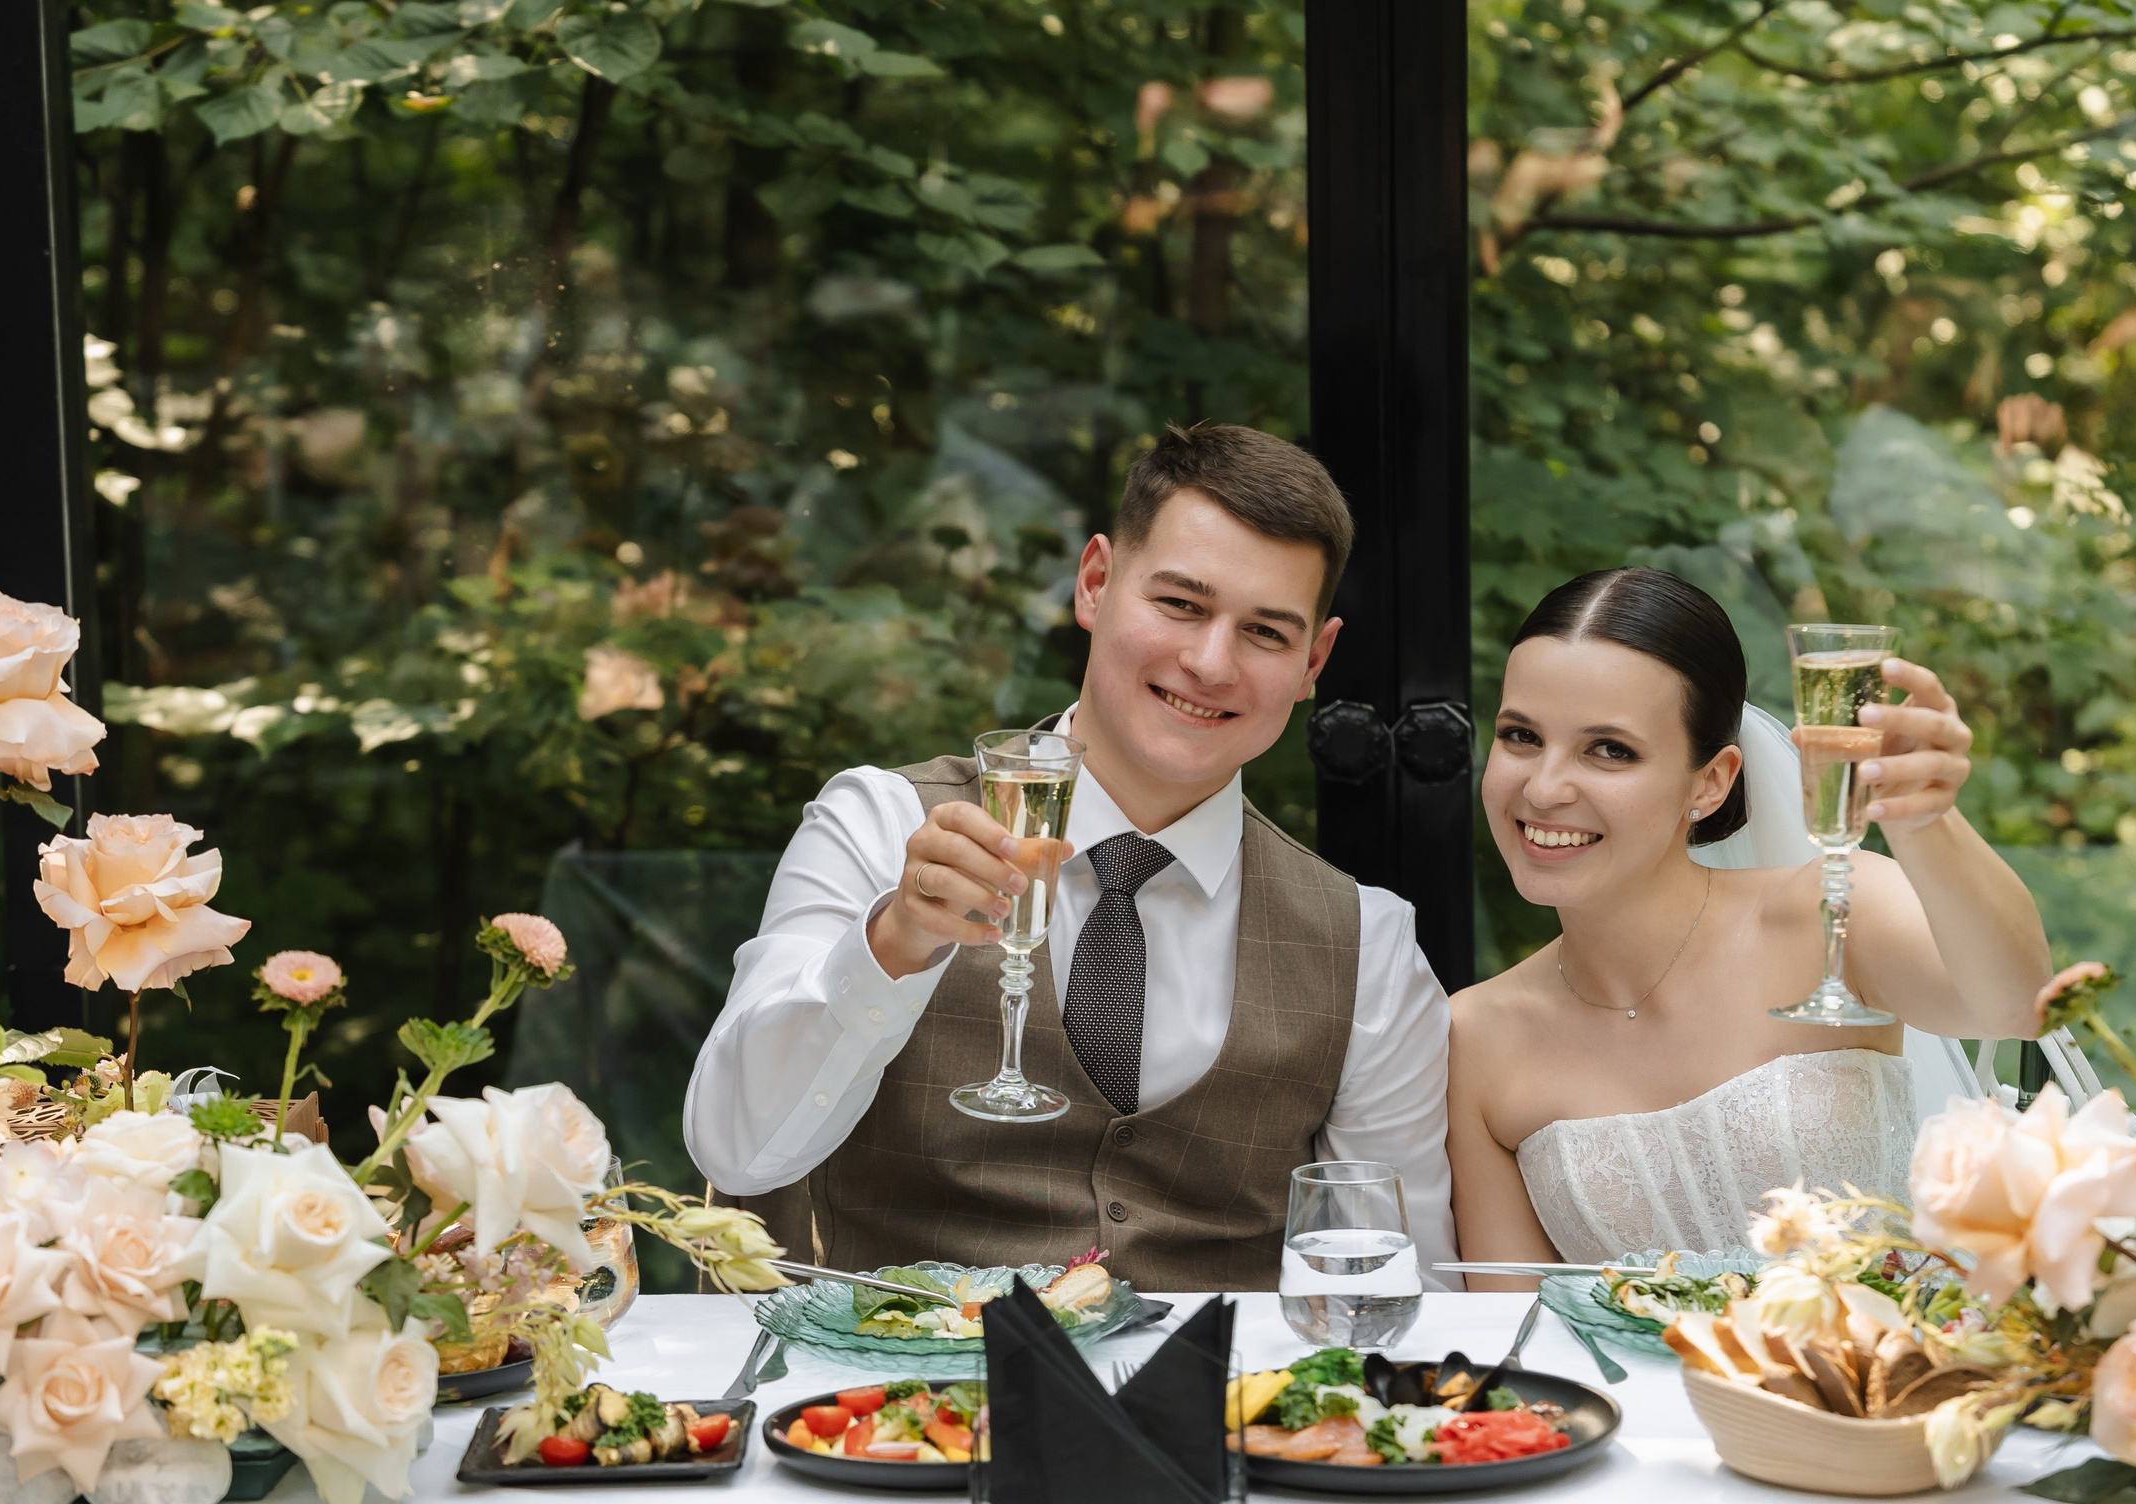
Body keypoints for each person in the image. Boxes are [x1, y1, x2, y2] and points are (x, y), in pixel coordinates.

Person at [686, 424, 1456, 1290]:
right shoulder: (878, 824)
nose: (1210, 662)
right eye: (1181, 604)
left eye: (1266, 632)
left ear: (1314, 661)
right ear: (1095, 582)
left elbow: (1405, 1289)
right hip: (899, 1372)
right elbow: (736, 1150)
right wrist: (891, 946)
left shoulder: (1368, 944)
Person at [1448, 567, 2051, 1277]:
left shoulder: (1833, 912)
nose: (1545, 787)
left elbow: (2019, 1007)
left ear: (1711, 781)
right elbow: (1510, 1319)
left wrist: (1927, 820)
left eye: (1610, 749)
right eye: (1521, 736)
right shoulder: (1474, 1036)